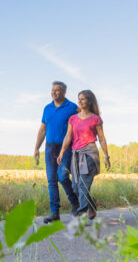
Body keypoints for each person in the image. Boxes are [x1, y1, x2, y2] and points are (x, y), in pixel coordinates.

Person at [57, 90, 110, 220]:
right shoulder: (73, 118)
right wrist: (62, 152)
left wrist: (106, 156)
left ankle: (82, 214)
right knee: (75, 186)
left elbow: (102, 138)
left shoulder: (95, 118)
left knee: (83, 185)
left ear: (89, 101)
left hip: (89, 154)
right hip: (76, 154)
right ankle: (92, 202)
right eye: (78, 99)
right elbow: (68, 136)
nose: (79, 102)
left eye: (82, 99)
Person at [34, 81, 80, 223]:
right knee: (51, 181)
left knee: (62, 176)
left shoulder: (72, 107)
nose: (54, 92)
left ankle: (75, 202)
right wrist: (36, 147)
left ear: (64, 92)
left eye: (57, 90)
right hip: (49, 147)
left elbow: (81, 124)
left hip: (65, 148)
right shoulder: (47, 108)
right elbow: (43, 129)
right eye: (52, 90)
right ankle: (55, 213)